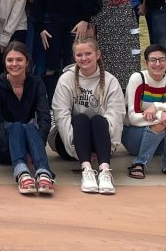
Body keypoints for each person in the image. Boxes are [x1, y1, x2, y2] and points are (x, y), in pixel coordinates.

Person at [50, 38, 125, 195]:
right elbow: (61, 115)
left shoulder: (111, 81)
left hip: (100, 141)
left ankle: (105, 171)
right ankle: (86, 170)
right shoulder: (66, 79)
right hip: (69, 141)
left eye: (88, 53)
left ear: (98, 54)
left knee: (98, 120)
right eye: (79, 55)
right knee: (81, 119)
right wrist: (73, 147)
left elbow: (116, 116)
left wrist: (108, 146)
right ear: (74, 57)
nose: (83, 58)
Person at [0, 42, 55, 195]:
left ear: (27, 62)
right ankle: (22, 173)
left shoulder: (36, 83)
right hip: (4, 144)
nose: (14, 64)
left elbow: (45, 116)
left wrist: (38, 144)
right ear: (4, 63)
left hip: (31, 142)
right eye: (10, 60)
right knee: (16, 126)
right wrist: (11, 147)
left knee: (29, 127)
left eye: (19, 59)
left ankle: (43, 173)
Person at [123, 44, 166, 180]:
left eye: (162, 60)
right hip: (134, 138)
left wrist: (157, 106)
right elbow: (132, 118)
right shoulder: (138, 79)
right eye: (153, 60)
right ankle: (139, 163)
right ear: (146, 63)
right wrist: (160, 115)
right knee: (161, 123)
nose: (158, 64)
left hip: (161, 141)